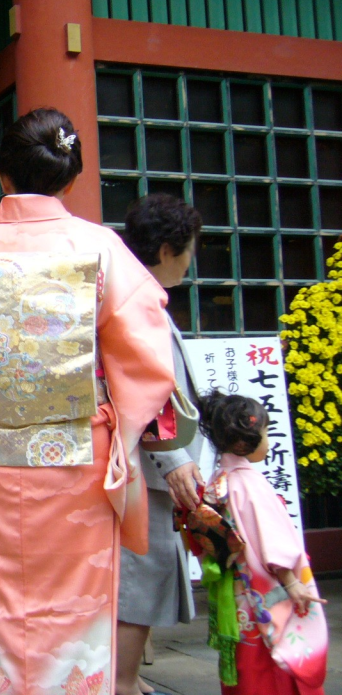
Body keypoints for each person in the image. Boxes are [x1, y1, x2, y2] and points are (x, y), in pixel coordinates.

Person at [0, 108, 176, 693]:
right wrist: (120, 434)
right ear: (70, 180)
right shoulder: (98, 246)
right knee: (77, 610)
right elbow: (147, 357)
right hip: (77, 460)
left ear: (1, 176)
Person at [116, 194, 206, 695]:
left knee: (141, 576)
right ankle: (122, 682)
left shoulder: (132, 292)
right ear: (170, 249)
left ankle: (124, 678)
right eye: (189, 251)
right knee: (139, 580)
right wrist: (174, 458)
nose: (190, 263)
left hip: (144, 461)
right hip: (146, 464)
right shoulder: (137, 300)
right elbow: (141, 386)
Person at [195, 390, 327, 694]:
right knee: (275, 666)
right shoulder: (250, 485)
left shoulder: (219, 481)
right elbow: (274, 543)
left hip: (239, 592)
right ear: (245, 441)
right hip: (265, 591)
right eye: (266, 431)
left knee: (248, 666)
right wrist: (292, 583)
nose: (269, 440)